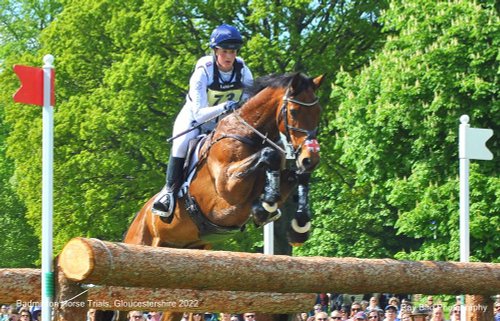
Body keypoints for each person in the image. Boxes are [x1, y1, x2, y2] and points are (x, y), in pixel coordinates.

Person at [152, 23, 254, 219]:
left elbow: (250, 101)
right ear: (215, 51)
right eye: (224, 51)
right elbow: (199, 113)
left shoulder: (243, 70)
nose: (229, 56)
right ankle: (168, 193)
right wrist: (226, 106)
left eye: (232, 51)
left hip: (224, 124)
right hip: (194, 120)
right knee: (181, 145)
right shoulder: (203, 71)